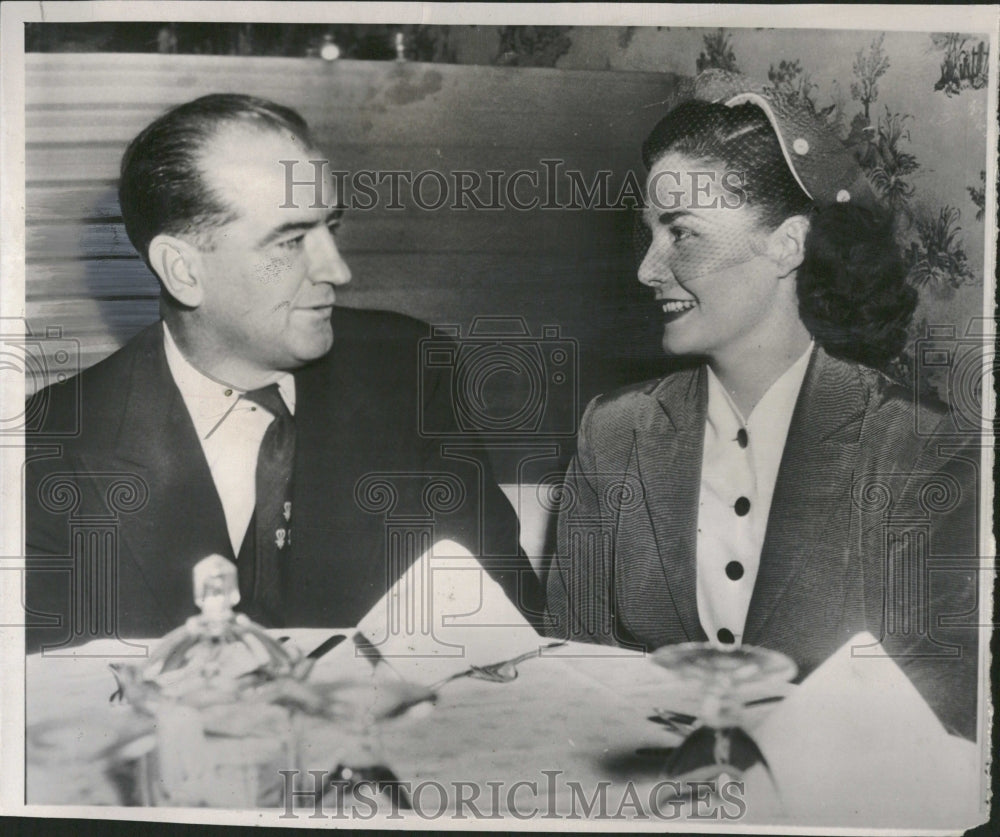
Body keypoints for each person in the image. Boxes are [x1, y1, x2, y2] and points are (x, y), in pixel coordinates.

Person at [545, 71, 980, 740]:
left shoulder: (918, 449)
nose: (647, 269)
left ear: (788, 243)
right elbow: (572, 683)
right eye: (649, 234)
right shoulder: (613, 433)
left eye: (682, 233)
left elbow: (945, 722)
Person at [25, 94, 543, 652]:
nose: (337, 270)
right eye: (292, 240)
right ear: (183, 270)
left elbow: (503, 640)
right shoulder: (51, 443)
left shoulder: (411, 373)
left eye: (332, 228)